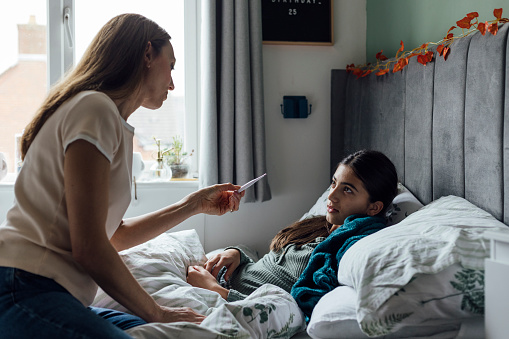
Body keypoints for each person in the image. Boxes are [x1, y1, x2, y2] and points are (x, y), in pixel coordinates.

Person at [0, 13, 245, 339]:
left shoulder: (107, 120)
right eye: (170, 66)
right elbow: (89, 247)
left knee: (197, 332)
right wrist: (158, 312)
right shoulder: (95, 109)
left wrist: (193, 204)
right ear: (147, 54)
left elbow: (113, 236)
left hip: (52, 291)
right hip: (25, 284)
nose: (172, 83)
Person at [187, 150, 398, 306]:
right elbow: (266, 262)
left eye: (348, 190)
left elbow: (284, 310)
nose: (331, 196)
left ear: (374, 207)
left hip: (223, 299)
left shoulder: (345, 250)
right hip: (216, 279)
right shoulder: (319, 226)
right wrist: (237, 253)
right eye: (334, 184)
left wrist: (215, 291)